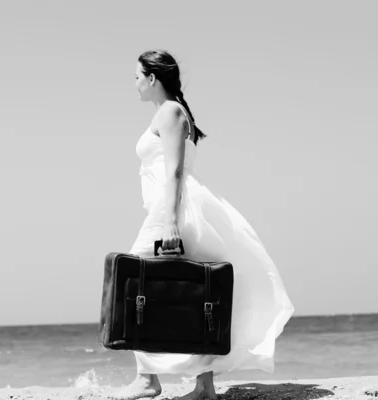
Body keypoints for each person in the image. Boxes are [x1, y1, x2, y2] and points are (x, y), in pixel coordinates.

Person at [109, 50, 295, 400]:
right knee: (196, 294)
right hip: (172, 209)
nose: (133, 83)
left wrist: (169, 224)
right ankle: (204, 386)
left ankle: (148, 381)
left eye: (136, 76)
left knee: (132, 283)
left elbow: (175, 171)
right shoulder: (173, 111)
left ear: (152, 78)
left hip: (173, 212)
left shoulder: (171, 112)